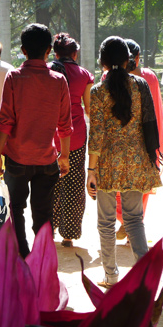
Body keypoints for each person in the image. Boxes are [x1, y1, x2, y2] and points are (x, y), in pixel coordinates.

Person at [87, 36, 162, 288]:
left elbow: (96, 135)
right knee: (134, 220)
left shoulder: (97, 91)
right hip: (137, 160)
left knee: (106, 223)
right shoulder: (141, 85)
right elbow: (148, 124)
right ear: (128, 60)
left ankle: (111, 275)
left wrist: (91, 170)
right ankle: (144, 276)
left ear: (103, 62)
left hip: (108, 163)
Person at [0, 23, 72, 258]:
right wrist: (65, 156)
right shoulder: (58, 80)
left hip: (17, 158)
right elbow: (65, 125)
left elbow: (5, 121)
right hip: (47, 161)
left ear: (23, 50)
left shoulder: (14, 78)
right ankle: (42, 259)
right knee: (43, 214)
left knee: (15, 208)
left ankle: (24, 256)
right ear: (49, 50)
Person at [115, 39, 163, 241]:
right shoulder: (150, 78)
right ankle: (133, 225)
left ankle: (124, 221)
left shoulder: (109, 77)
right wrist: (159, 144)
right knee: (142, 186)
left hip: (120, 142)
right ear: (137, 58)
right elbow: (156, 113)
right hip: (145, 141)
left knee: (119, 184)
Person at [49, 33, 94, 248]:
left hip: (48, 136)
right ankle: (69, 234)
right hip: (75, 135)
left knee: (49, 183)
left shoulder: (46, 71)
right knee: (74, 182)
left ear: (54, 53)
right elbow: (88, 108)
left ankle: (47, 230)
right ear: (75, 53)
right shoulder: (84, 74)